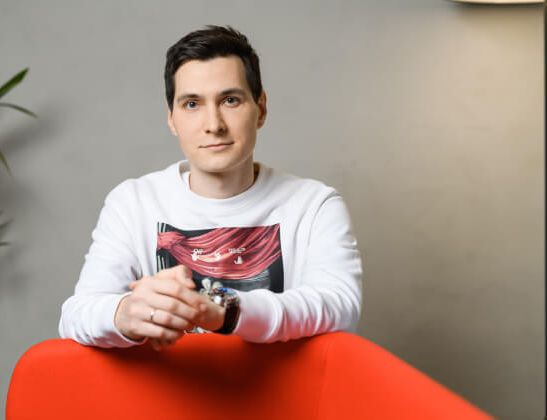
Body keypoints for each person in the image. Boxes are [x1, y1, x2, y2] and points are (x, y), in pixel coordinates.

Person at [58, 25, 362, 350]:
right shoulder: (133, 203)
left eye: (230, 100)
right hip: (167, 385)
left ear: (261, 108)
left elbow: (340, 306)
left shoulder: (314, 205)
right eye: (192, 104)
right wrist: (125, 312)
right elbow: (76, 316)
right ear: (171, 118)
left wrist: (225, 311)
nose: (213, 125)